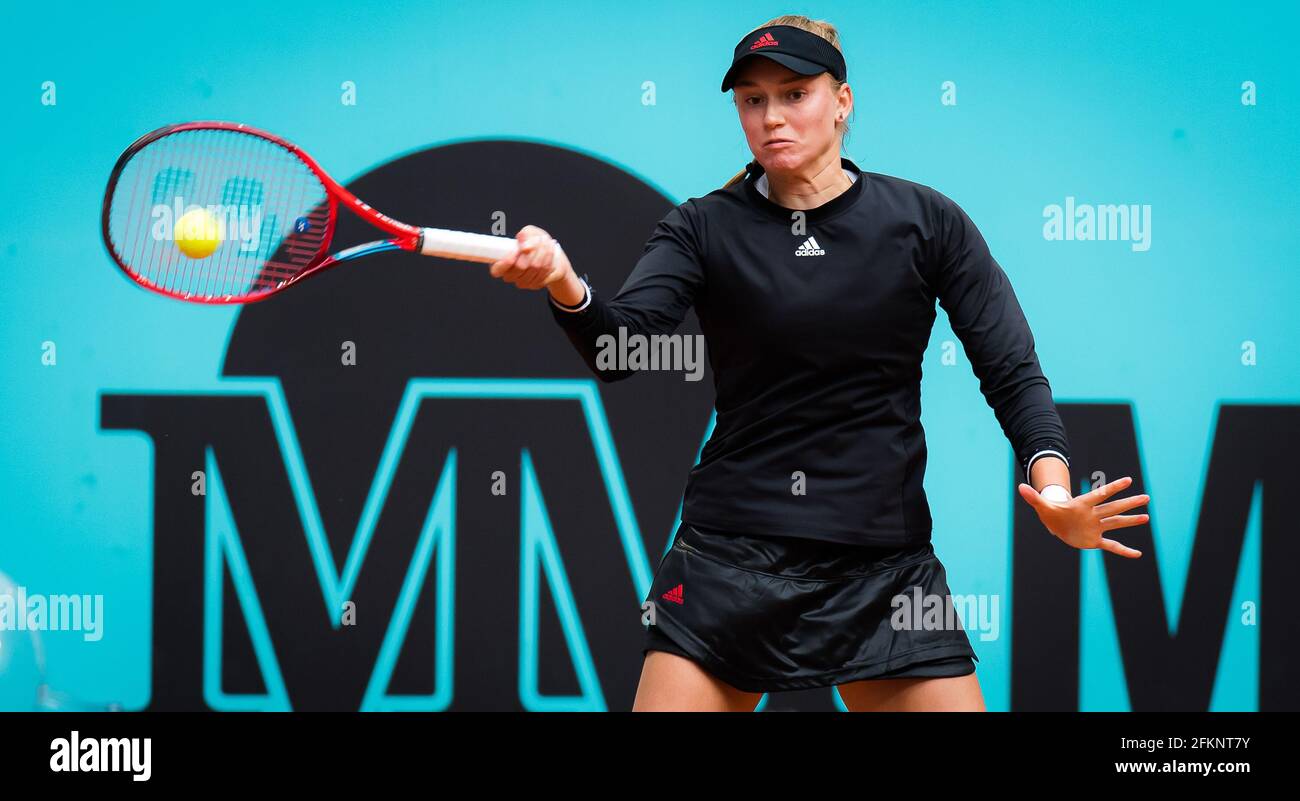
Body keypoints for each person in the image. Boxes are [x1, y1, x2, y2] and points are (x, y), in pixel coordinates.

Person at [487, 14, 1150, 712]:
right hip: (727, 562)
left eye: (794, 93)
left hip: (883, 568)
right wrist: (565, 281)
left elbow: (1011, 369)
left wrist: (1051, 488)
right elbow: (616, 346)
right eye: (752, 99)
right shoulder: (701, 227)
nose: (771, 116)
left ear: (842, 101)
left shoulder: (926, 223)